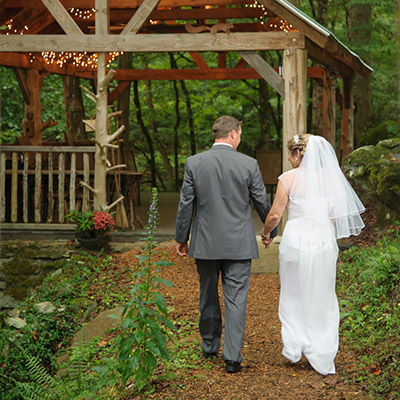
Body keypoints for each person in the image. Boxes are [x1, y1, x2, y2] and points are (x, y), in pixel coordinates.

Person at [175, 115, 276, 373]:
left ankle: (209, 346)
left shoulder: (194, 163)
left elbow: (186, 204)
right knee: (236, 299)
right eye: (239, 134)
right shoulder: (248, 164)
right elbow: (261, 202)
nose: (239, 138)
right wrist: (269, 231)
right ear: (233, 134)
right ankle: (232, 357)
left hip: (205, 244)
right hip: (239, 245)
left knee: (207, 294)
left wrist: (181, 237)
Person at [260, 134, 365, 375]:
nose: (288, 157)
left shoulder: (288, 179)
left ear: (298, 154)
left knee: (294, 292)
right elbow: (335, 215)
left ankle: (296, 346)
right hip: (323, 240)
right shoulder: (330, 179)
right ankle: (322, 351)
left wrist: (267, 234)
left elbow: (275, 214)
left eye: (290, 153)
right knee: (323, 293)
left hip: (296, 239)